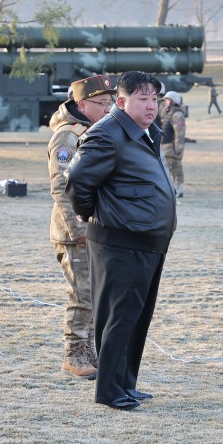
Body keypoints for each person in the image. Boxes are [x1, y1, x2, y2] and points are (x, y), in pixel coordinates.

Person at [65, 71, 177, 411]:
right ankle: (109, 391)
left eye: (154, 99)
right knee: (118, 317)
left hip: (147, 240)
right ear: (122, 101)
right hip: (119, 240)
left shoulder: (144, 132)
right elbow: (77, 181)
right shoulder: (108, 133)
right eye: (142, 99)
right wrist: (88, 212)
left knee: (137, 316)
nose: (151, 106)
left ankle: (126, 383)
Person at [47, 75, 115, 379]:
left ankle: (88, 352)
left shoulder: (93, 131)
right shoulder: (67, 136)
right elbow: (61, 185)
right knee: (82, 294)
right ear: (82, 103)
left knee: (94, 295)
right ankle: (74, 354)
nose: (109, 108)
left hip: (95, 228)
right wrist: (79, 229)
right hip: (75, 233)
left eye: (111, 102)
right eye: (102, 103)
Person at [161, 90, 187, 198]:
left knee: (176, 169)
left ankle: (178, 190)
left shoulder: (177, 114)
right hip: (166, 147)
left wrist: (178, 148)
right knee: (169, 170)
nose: (166, 102)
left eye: (168, 100)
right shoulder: (169, 113)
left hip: (172, 148)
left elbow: (179, 133)